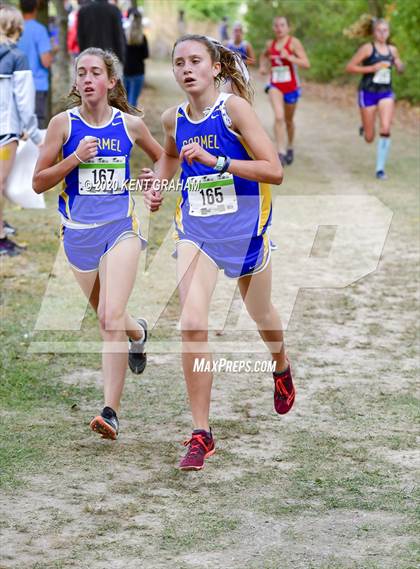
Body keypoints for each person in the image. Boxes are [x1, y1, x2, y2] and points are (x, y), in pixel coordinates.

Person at [141, 35, 296, 471]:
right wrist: (157, 184)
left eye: (195, 61)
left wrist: (217, 162)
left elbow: (274, 170)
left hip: (245, 229)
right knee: (191, 322)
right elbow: (170, 158)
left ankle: (280, 366)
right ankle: (201, 432)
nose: (187, 69)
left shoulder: (234, 111)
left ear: (214, 68)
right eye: (179, 63)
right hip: (197, 231)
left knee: (261, 314)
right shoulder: (173, 118)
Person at [32, 48, 163, 439]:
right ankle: (137, 332)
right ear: (76, 83)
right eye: (82, 73)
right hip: (77, 234)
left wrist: (153, 184)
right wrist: (74, 157)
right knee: (109, 316)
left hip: (120, 228)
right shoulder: (62, 125)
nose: (88, 79)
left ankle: (110, 411)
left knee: (108, 318)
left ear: (110, 82)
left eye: (96, 72)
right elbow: (38, 182)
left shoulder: (130, 125)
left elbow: (162, 159)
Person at [0, 4, 43, 256]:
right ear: (17, 27)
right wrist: (36, 135)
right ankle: (2, 239)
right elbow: (25, 104)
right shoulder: (17, 57)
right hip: (6, 133)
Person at [345, 17, 404, 180]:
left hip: (386, 93)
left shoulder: (393, 50)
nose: (382, 33)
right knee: (369, 138)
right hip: (368, 92)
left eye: (385, 30)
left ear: (389, 32)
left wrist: (399, 65)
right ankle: (365, 126)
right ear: (373, 32)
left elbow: (401, 67)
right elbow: (349, 67)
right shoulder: (367, 49)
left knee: (385, 128)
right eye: (379, 30)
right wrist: (372, 68)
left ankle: (380, 169)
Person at [259, 16, 310, 166]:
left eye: (282, 25)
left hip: (292, 87)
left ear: (288, 27)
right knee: (279, 117)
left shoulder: (293, 43)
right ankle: (280, 152)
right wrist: (263, 67)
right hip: (275, 85)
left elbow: (306, 63)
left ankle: (290, 146)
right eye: (276, 26)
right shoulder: (271, 44)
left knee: (288, 121)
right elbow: (264, 55)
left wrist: (290, 57)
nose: (279, 28)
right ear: (273, 28)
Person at [18, 0, 53, 129]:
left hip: (17, 85)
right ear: (36, 7)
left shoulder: (14, 29)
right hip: (36, 85)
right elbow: (45, 61)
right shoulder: (39, 30)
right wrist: (52, 52)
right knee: (37, 126)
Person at [123, 9, 148, 107]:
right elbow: (146, 55)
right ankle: (131, 120)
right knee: (133, 100)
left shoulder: (124, 36)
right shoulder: (142, 38)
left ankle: (125, 119)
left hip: (126, 70)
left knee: (125, 98)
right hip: (138, 71)